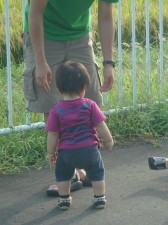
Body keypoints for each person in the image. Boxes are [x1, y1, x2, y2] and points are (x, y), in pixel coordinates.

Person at [22, 0, 118, 194]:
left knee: (89, 101)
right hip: (45, 35)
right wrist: (40, 62)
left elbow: (106, 16)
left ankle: (88, 165)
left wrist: (109, 63)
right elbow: (35, 13)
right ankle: (69, 173)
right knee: (52, 105)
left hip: (79, 36)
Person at [46, 61, 114, 209]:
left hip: (66, 152)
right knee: (97, 171)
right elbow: (100, 125)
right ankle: (99, 198)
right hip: (89, 149)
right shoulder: (90, 105)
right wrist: (108, 140)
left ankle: (64, 199)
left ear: (58, 88)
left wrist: (50, 152)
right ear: (84, 86)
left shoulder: (56, 110)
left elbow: (53, 134)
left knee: (63, 174)